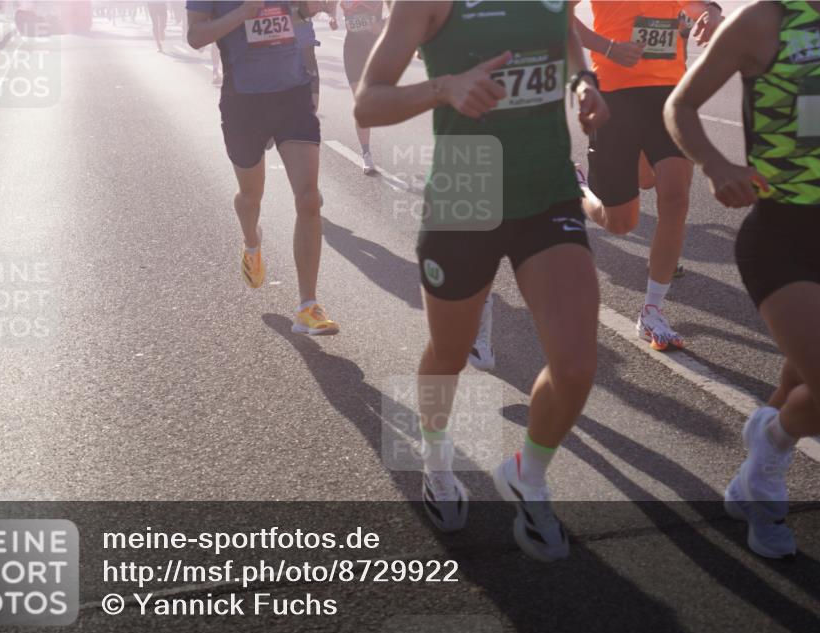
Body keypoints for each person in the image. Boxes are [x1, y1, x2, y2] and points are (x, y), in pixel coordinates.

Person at [356, 0, 609, 561]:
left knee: (576, 364)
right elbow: (369, 99)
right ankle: (437, 456)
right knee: (450, 351)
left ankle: (528, 472)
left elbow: (562, 34)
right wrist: (443, 88)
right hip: (466, 186)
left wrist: (584, 82)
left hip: (546, 188)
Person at [666, 0, 820, 558]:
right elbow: (681, 105)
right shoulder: (763, 20)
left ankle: (756, 475)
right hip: (781, 236)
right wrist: (714, 164)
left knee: (800, 383)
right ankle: (768, 459)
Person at [572, 0, 723, 351]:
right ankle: (577, 188)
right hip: (613, 95)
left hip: (668, 96)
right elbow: (559, 18)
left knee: (675, 196)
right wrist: (607, 47)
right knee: (620, 223)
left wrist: (711, 13)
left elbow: (702, 6)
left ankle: (652, 310)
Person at [188, 1, 339, 335]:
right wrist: (243, 12)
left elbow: (302, 12)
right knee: (250, 196)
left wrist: (314, 8)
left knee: (309, 198)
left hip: (292, 95)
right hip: (244, 101)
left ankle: (307, 306)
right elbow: (195, 36)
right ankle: (251, 243)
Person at [338, 0, 385, 174]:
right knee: (361, 102)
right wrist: (330, 15)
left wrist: (382, 25)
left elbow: (400, 10)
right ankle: (366, 153)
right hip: (353, 50)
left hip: (376, 49)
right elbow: (328, 5)